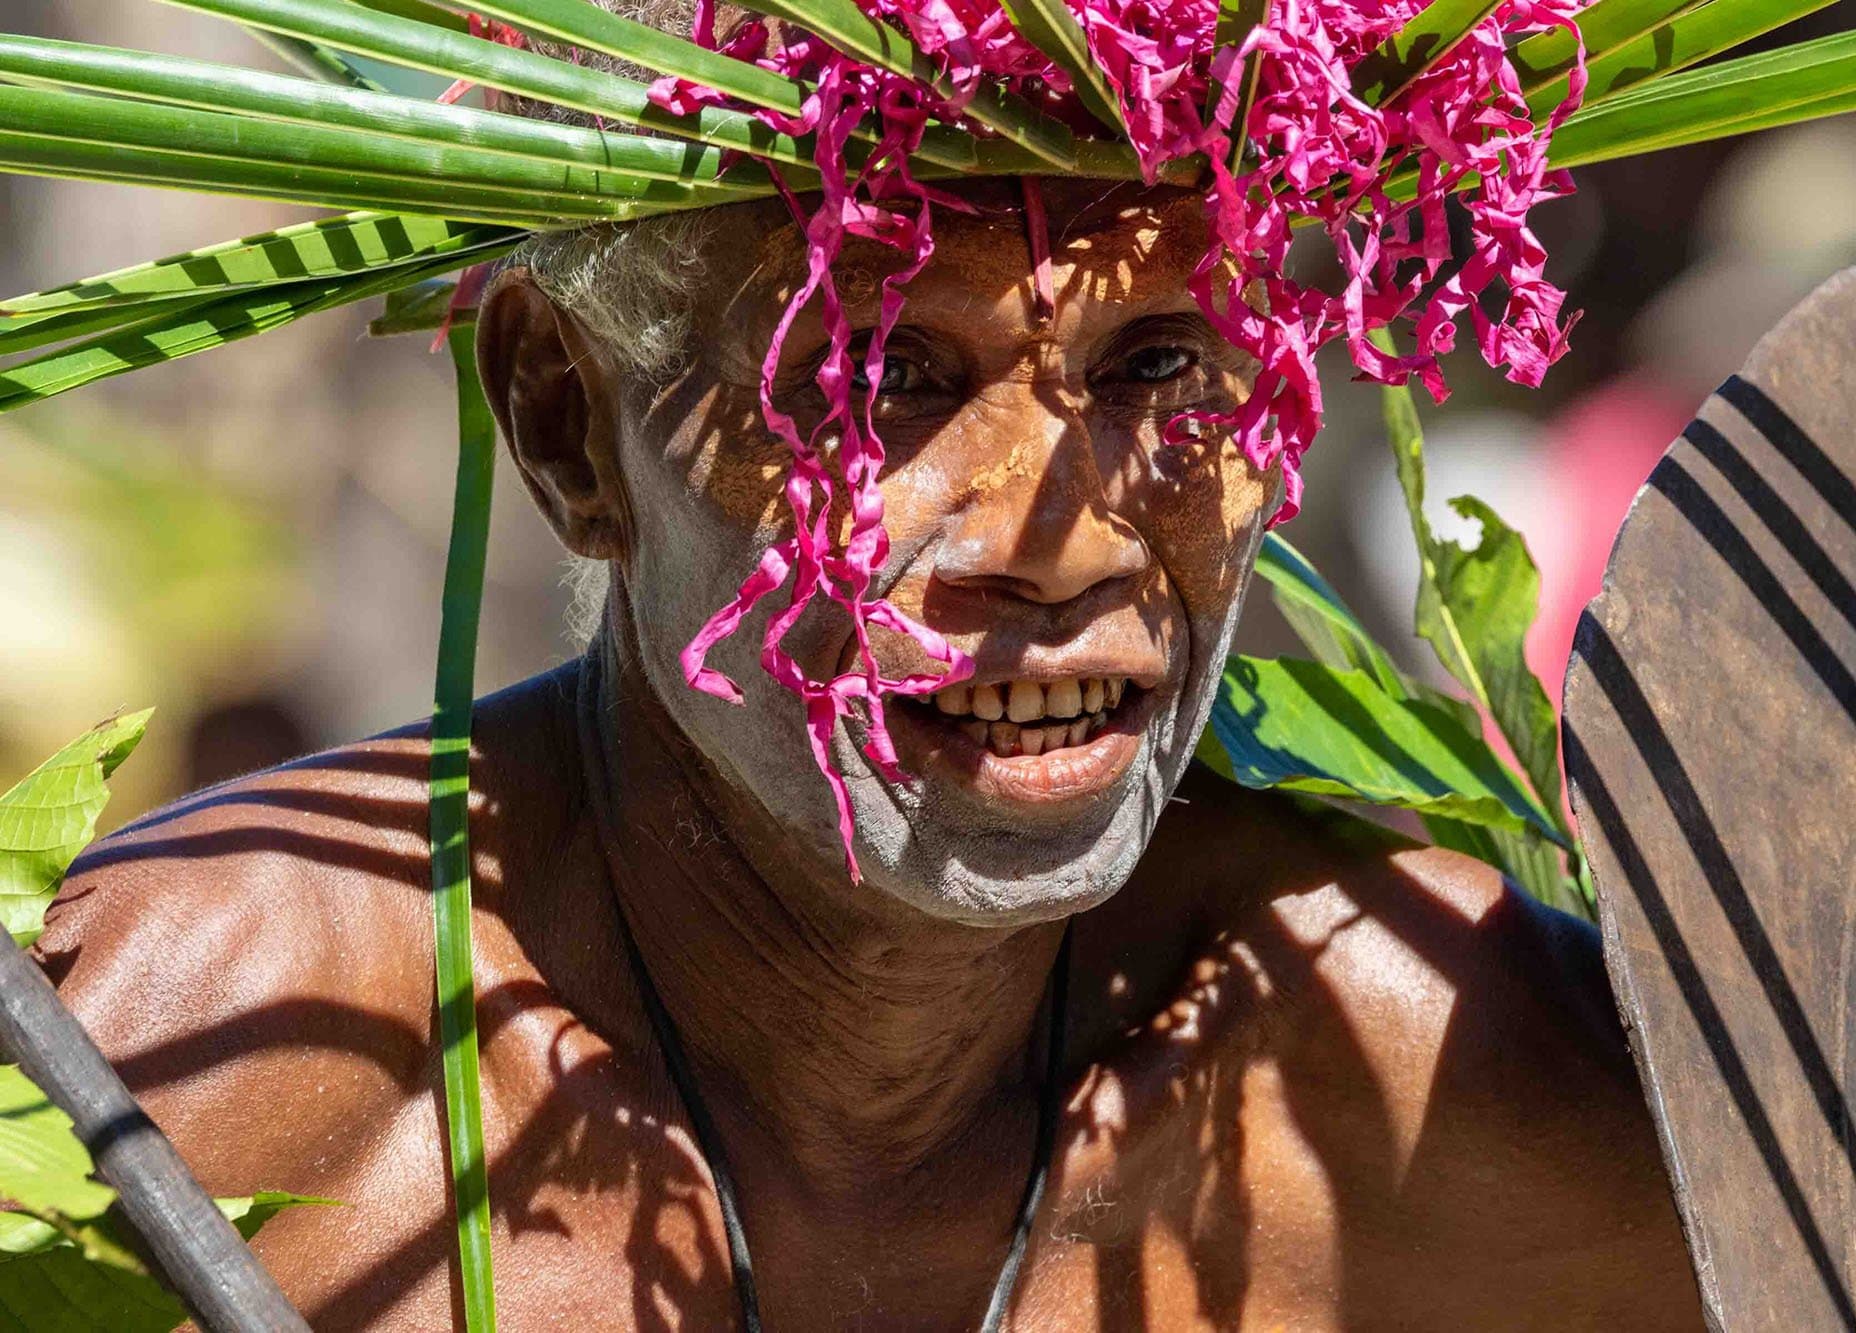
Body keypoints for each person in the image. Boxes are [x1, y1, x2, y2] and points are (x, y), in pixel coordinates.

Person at [38, 175, 1702, 1329]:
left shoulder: (1476, 1105)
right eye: (886, 373)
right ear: (566, 422)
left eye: (1160, 365)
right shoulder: (174, 1071)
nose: (1056, 543)